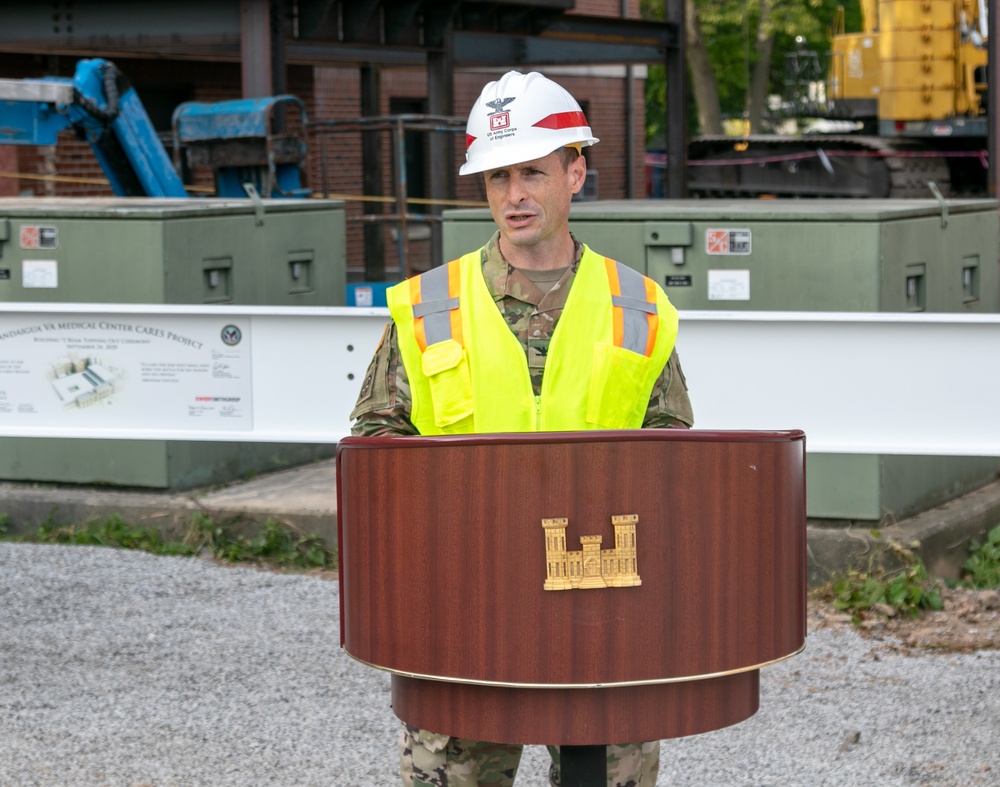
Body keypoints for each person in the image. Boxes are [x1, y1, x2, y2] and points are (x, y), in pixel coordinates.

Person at [350, 70, 694, 787]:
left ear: (575, 172)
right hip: (461, 608)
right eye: (497, 177)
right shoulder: (427, 308)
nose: (513, 196)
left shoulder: (639, 307)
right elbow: (376, 454)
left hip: (603, 608)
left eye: (532, 173)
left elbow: (676, 463)